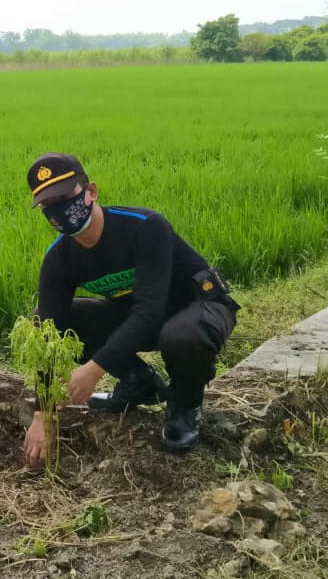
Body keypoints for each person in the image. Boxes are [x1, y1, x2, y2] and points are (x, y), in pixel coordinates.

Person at [21, 153, 240, 467]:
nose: (58, 211)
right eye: (47, 205)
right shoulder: (59, 259)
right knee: (61, 320)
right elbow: (47, 332)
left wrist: (93, 370)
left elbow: (149, 311)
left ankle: (184, 404)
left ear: (91, 191)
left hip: (199, 306)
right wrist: (43, 414)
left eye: (66, 197)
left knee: (180, 337)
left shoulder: (144, 226)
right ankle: (139, 383)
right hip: (142, 316)